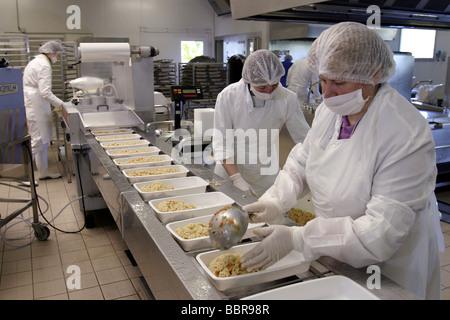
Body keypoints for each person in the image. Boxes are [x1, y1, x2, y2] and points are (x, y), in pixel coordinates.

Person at [241, 22, 445, 300]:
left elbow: (380, 233)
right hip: (335, 248)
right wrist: (276, 200)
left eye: (338, 82)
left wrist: (300, 238)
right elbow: (303, 160)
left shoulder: (404, 133)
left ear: (373, 74)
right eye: (323, 80)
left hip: (390, 263)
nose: (327, 93)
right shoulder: (330, 111)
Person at [213, 49, 310, 197]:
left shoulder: (287, 98)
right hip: (230, 171)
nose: (269, 92)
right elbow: (222, 142)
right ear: (249, 80)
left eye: (274, 85)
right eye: (262, 87)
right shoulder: (228, 96)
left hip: (265, 173)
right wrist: (236, 178)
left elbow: (304, 138)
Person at [23, 41, 65, 180]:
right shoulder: (44, 65)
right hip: (36, 105)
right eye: (58, 56)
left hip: (36, 102)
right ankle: (24, 177)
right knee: (37, 141)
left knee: (43, 141)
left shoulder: (36, 62)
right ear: (51, 52)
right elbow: (45, 92)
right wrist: (62, 105)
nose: (58, 59)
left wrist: (53, 103)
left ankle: (43, 171)